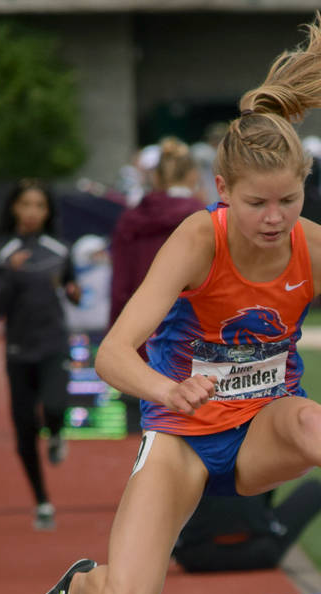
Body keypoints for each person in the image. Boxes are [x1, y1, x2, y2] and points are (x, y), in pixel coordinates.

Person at [14, 15, 321, 594]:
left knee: (312, 418)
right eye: (257, 204)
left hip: (261, 431)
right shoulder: (198, 240)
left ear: (305, 187)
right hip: (181, 438)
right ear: (222, 192)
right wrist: (169, 388)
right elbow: (112, 353)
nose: (274, 219)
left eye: (289, 199)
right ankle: (78, 586)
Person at [0, 179, 80, 531]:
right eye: (25, 205)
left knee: (55, 406)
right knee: (24, 431)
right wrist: (12, 274)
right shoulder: (2, 252)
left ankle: (56, 434)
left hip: (53, 343)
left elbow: (72, 291)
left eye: (39, 206)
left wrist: (73, 291)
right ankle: (41, 501)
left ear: (48, 211)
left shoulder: (59, 249)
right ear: (14, 208)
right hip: (18, 350)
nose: (31, 213)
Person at [108, 137, 204, 432]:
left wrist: (117, 336)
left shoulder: (131, 219)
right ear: (192, 176)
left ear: (156, 177)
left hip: (140, 337)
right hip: (194, 343)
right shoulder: (206, 218)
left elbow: (120, 284)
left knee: (142, 438)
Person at [172, 477, 321, 573]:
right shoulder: (260, 436)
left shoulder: (185, 430)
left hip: (196, 555)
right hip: (259, 551)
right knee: (315, 488)